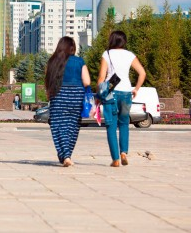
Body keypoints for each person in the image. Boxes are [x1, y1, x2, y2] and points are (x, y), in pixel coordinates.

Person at [97, 30, 146, 167]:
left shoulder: (106, 54)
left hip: (110, 93)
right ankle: (124, 152)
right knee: (124, 123)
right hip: (126, 92)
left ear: (112, 40)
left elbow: (101, 77)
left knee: (111, 126)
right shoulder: (130, 55)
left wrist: (99, 94)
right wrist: (136, 89)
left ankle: (115, 159)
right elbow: (142, 73)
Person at [45, 37, 91, 167]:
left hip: (58, 95)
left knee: (58, 126)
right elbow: (87, 81)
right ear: (72, 48)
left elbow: (48, 81)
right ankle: (67, 155)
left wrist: (49, 94)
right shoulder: (79, 61)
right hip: (76, 97)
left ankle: (65, 156)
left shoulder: (52, 62)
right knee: (72, 126)